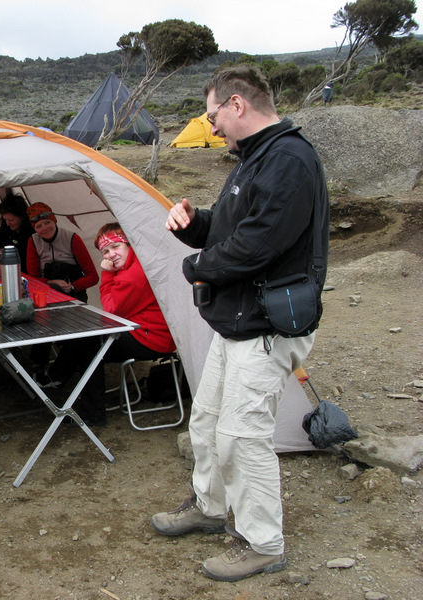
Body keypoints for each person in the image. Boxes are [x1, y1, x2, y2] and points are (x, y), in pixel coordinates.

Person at [153, 65, 329, 582]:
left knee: (242, 436)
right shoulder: (256, 159)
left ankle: (262, 543)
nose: (211, 128)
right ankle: (209, 508)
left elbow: (258, 245)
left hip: (267, 325)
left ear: (237, 104)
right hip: (239, 320)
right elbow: (235, 229)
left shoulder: (289, 160)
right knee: (208, 421)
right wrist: (196, 224)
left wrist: (195, 267)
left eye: (213, 116)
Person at [42, 223, 176, 426]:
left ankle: (87, 410)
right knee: (86, 338)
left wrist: (107, 274)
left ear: (129, 244)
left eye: (115, 247)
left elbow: (112, 310)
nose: (111, 255)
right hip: (143, 330)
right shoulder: (132, 264)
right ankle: (58, 380)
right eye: (105, 251)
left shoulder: (134, 274)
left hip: (152, 338)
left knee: (90, 346)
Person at [25, 201, 99, 302]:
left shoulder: (72, 238)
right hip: (46, 293)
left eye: (47, 222)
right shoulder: (34, 241)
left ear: (54, 221)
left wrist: (72, 286)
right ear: (35, 229)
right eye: (39, 226)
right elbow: (33, 278)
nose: (45, 228)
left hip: (74, 293)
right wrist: (50, 282)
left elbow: (93, 277)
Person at [0, 192, 35, 275]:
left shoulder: (31, 232)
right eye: (5, 220)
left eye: (11, 220)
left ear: (22, 217)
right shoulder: (5, 229)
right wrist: (0, 255)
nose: (8, 223)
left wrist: (8, 255)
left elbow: (27, 261)